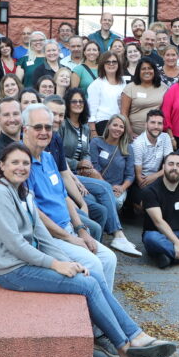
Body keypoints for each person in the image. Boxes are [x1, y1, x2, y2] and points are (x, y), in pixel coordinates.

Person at [0, 142, 176, 357]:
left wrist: (69, 261)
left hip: (24, 261)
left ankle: (136, 336)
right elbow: (15, 244)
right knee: (86, 285)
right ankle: (124, 348)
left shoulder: (23, 192)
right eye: (15, 163)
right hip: (9, 269)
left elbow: (44, 237)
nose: (21, 167)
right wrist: (55, 265)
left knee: (93, 276)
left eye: (25, 163)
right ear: (1, 165)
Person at [19, 104, 118, 292]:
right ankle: (103, 313)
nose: (44, 132)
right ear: (25, 130)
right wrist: (69, 238)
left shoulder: (48, 158)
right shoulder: (22, 164)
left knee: (109, 258)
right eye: (38, 127)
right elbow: (35, 213)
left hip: (69, 230)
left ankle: (103, 311)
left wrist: (81, 229)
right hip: (49, 238)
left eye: (48, 127)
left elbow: (64, 197)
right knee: (94, 263)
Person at [89, 114, 136, 210]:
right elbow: (94, 168)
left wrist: (122, 188)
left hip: (118, 188)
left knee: (115, 202)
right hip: (98, 183)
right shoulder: (96, 142)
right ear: (108, 126)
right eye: (115, 125)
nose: (118, 129)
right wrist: (108, 187)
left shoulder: (127, 148)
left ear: (124, 130)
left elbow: (130, 175)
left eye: (121, 127)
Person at [130, 109, 174, 210]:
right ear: (146, 124)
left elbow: (171, 164)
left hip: (157, 179)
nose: (156, 126)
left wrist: (155, 176)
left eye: (159, 123)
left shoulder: (165, 137)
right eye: (153, 122)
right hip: (140, 183)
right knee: (149, 205)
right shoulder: (138, 143)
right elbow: (139, 179)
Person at [121, 60, 166, 138]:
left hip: (157, 135)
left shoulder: (163, 87)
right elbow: (123, 113)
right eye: (143, 69)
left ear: (154, 70)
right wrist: (130, 133)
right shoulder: (130, 87)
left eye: (149, 68)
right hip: (135, 136)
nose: (147, 71)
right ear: (138, 71)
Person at [87, 51, 126, 136]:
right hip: (103, 123)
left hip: (120, 124)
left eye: (114, 61)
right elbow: (91, 111)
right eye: (107, 62)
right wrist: (93, 131)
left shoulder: (123, 83)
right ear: (102, 65)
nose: (111, 64)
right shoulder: (96, 84)